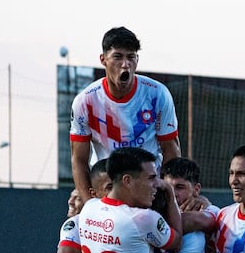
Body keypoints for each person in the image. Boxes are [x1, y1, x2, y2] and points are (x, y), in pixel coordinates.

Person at [69, 26, 180, 203]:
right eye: (118, 57)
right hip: (108, 188)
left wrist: (166, 197)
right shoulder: (85, 101)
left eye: (131, 57)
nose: (125, 64)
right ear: (103, 59)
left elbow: (171, 149)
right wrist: (89, 205)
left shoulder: (158, 94)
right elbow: (78, 159)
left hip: (148, 188)